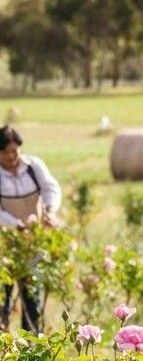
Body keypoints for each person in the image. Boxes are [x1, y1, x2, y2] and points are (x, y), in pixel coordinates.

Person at [0, 125, 62, 333]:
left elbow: (51, 188)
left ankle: (31, 344)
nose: (11, 156)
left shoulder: (33, 167)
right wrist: (15, 224)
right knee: (3, 298)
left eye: (14, 151)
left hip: (33, 245)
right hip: (5, 246)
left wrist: (50, 211)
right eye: (6, 152)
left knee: (32, 296)